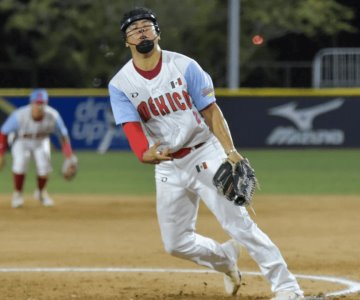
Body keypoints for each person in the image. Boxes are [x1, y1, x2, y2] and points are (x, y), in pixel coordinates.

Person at [108, 7, 304, 300]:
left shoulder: (185, 66)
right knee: (176, 244)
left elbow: (211, 112)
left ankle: (288, 288)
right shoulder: (120, 84)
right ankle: (225, 259)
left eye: (146, 26)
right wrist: (143, 154)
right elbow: (133, 131)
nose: (141, 32)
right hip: (168, 165)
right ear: (126, 41)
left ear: (157, 32)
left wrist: (231, 151)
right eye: (133, 30)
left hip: (204, 153)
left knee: (239, 225)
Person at [0, 88, 76, 208]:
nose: (39, 106)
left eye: (42, 103)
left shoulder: (53, 116)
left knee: (44, 167)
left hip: (41, 140)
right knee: (21, 162)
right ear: (31, 103)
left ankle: (41, 193)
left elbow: (63, 136)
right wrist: (1, 154)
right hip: (21, 140)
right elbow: (3, 132)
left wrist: (69, 156)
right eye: (37, 103)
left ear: (46, 104)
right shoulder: (20, 115)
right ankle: (17, 195)